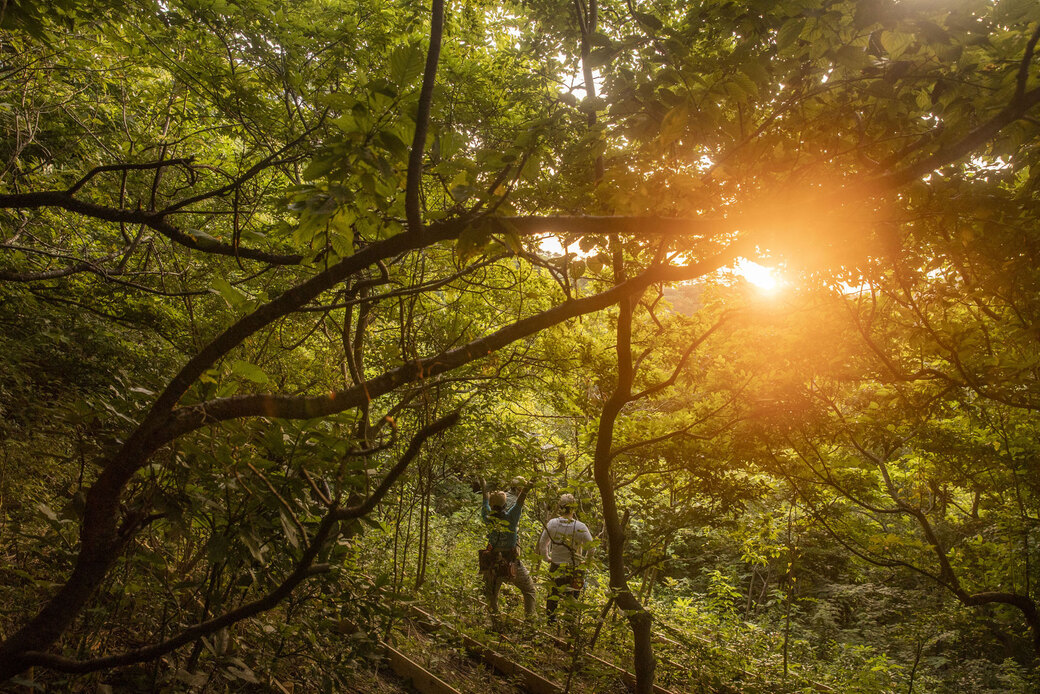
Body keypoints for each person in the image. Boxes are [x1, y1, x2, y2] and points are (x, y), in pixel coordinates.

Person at [479, 476, 536, 623]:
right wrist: (529, 485)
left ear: (491, 505)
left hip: (492, 563)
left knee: (491, 596)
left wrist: (483, 483)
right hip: (511, 563)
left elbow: (485, 499)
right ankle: (530, 622)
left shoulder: (487, 516)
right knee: (529, 590)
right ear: (505, 504)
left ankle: (496, 624)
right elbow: (520, 501)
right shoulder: (511, 518)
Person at [537, 493, 593, 624]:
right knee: (572, 599)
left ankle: (550, 622)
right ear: (574, 508)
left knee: (553, 596)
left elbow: (542, 542)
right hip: (575, 568)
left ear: (560, 507)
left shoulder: (552, 523)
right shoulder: (580, 526)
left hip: (556, 565)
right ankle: (569, 625)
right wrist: (586, 562)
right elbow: (592, 547)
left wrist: (547, 557)